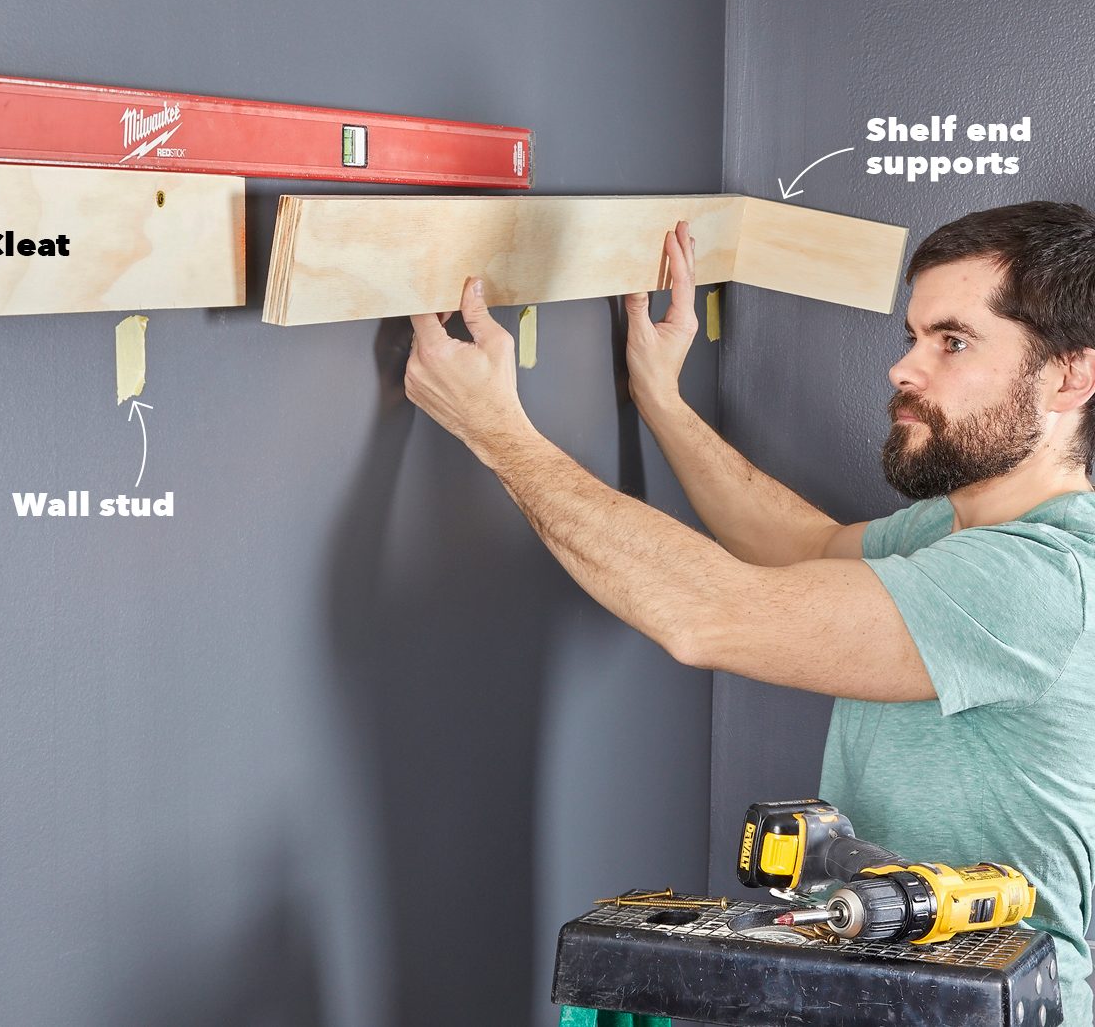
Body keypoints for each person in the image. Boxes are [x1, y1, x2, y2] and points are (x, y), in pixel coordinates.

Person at [403, 201, 1095, 1022]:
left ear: (1068, 376)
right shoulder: (959, 527)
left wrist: (496, 430)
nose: (904, 369)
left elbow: (710, 615)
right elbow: (800, 544)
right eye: (912, 337)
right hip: (894, 986)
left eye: (952, 341)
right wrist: (661, 398)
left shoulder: (1035, 579)